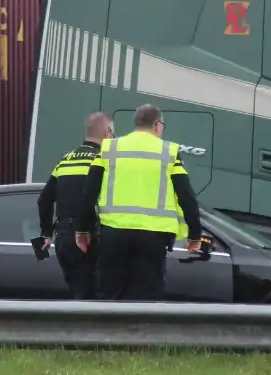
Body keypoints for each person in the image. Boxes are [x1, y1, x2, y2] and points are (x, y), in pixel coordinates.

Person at [77, 104, 203, 301]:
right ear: (158, 125)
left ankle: (109, 332)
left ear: (135, 124)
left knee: (109, 295)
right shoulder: (169, 152)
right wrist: (194, 235)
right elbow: (186, 196)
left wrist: (82, 230)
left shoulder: (109, 148)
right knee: (146, 298)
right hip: (153, 238)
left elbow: (89, 193)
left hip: (113, 235)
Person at [36, 112, 114, 300]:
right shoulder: (104, 160)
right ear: (107, 132)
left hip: (64, 239)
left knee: (78, 294)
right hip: (91, 237)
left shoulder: (66, 160)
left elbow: (44, 199)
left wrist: (46, 233)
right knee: (97, 297)